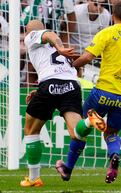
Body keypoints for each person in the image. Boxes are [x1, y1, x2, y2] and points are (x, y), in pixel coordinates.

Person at [56, 0, 121, 184]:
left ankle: (67, 168)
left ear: (112, 15)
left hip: (104, 91)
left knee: (79, 127)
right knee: (111, 133)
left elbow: (88, 56)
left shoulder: (107, 33)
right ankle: (114, 155)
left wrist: (71, 65)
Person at [20, 20, 105, 187]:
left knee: (31, 130)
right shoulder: (56, 50)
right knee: (77, 133)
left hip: (50, 84)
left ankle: (34, 178)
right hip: (72, 85)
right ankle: (89, 121)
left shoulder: (33, 37)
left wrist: (59, 46)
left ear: (29, 31)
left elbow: (50, 34)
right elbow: (63, 72)